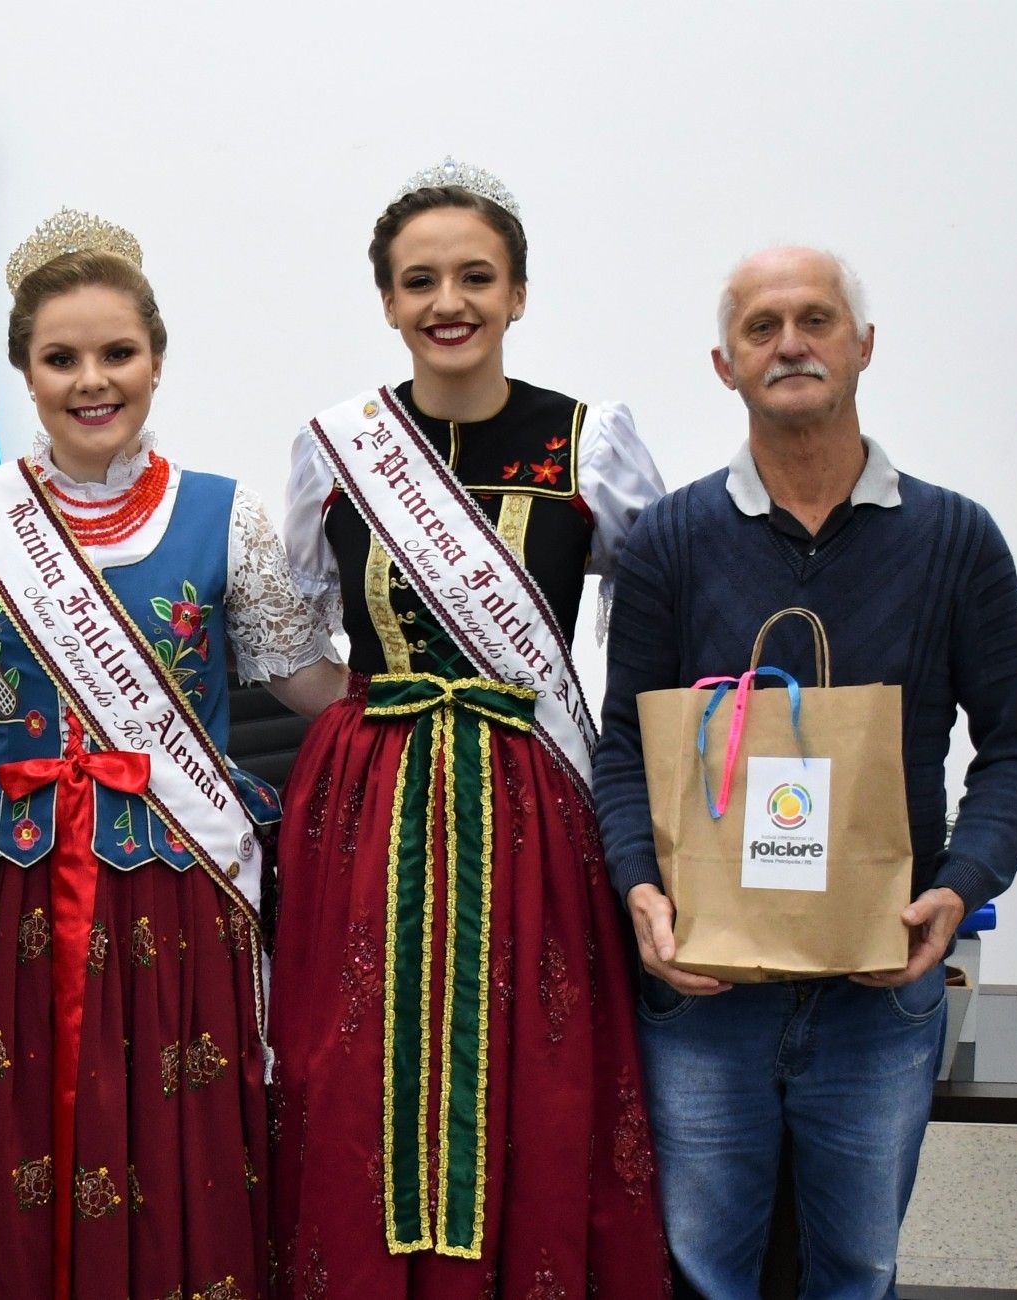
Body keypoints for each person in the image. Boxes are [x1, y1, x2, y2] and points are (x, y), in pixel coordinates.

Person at [0, 208, 348, 1300]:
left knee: (173, 1146)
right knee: (7, 1138)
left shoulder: (227, 515)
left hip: (173, 887)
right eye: (61, 359)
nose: (92, 380)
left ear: (155, 359)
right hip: (4, 889)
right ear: (25, 371)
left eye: (117, 353)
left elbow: (312, 685)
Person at [594, 246, 1017, 1296]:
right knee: (702, 1269)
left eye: (814, 319)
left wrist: (958, 888)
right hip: (706, 989)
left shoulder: (956, 540)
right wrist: (639, 890)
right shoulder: (668, 542)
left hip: (877, 988)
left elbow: (1014, 745)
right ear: (725, 364)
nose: (789, 343)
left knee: (857, 1268)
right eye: (761, 327)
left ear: (863, 345)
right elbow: (623, 747)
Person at [271, 160, 673, 1298]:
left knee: (534, 1049)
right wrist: (363, 730)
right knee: (354, 1055)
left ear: (517, 294)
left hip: (529, 802)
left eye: (476, 277)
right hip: (372, 802)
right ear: (388, 302)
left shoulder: (588, 443)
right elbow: (289, 636)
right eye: (420, 281)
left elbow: (658, 621)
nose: (448, 302)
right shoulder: (336, 446)